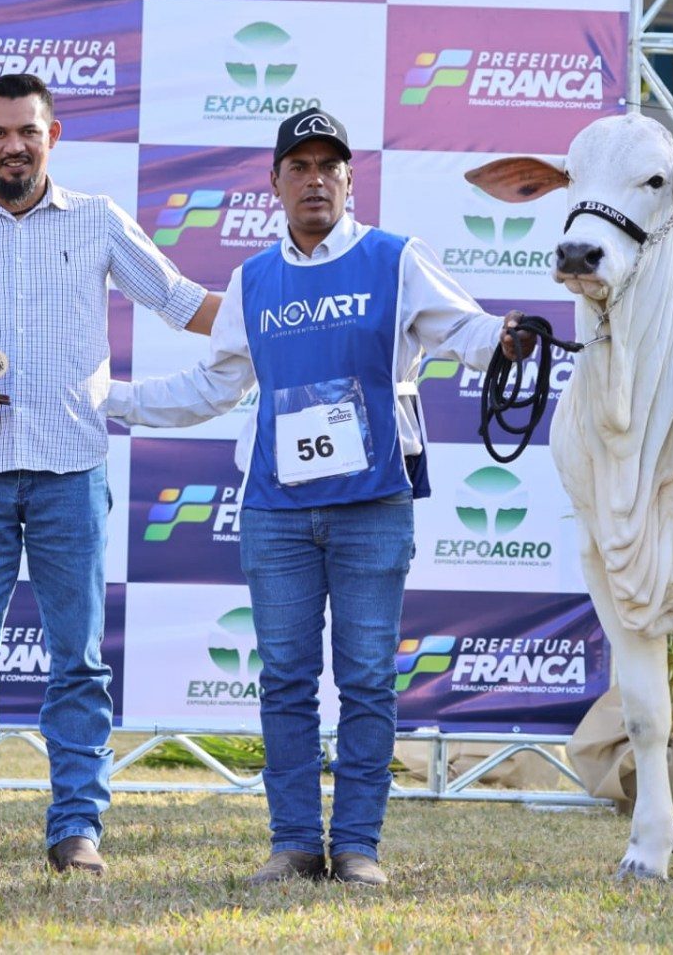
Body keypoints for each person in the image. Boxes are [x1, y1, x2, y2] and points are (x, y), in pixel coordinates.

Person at [108, 108, 530, 886]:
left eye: (327, 165)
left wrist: (504, 337)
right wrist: (115, 401)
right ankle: (295, 843)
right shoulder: (252, 279)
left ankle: (359, 845)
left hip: (373, 503)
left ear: (349, 178)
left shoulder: (394, 259)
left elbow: (463, 330)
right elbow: (213, 385)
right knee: (285, 679)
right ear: (274, 183)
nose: (313, 179)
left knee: (367, 676)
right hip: (275, 510)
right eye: (297, 166)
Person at [0, 73, 220, 877]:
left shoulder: (98, 218)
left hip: (72, 471)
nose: (15, 145)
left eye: (29, 132)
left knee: (77, 660)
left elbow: (182, 303)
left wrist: (287, 309)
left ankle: (77, 828)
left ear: (54, 136)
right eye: (0, 131)